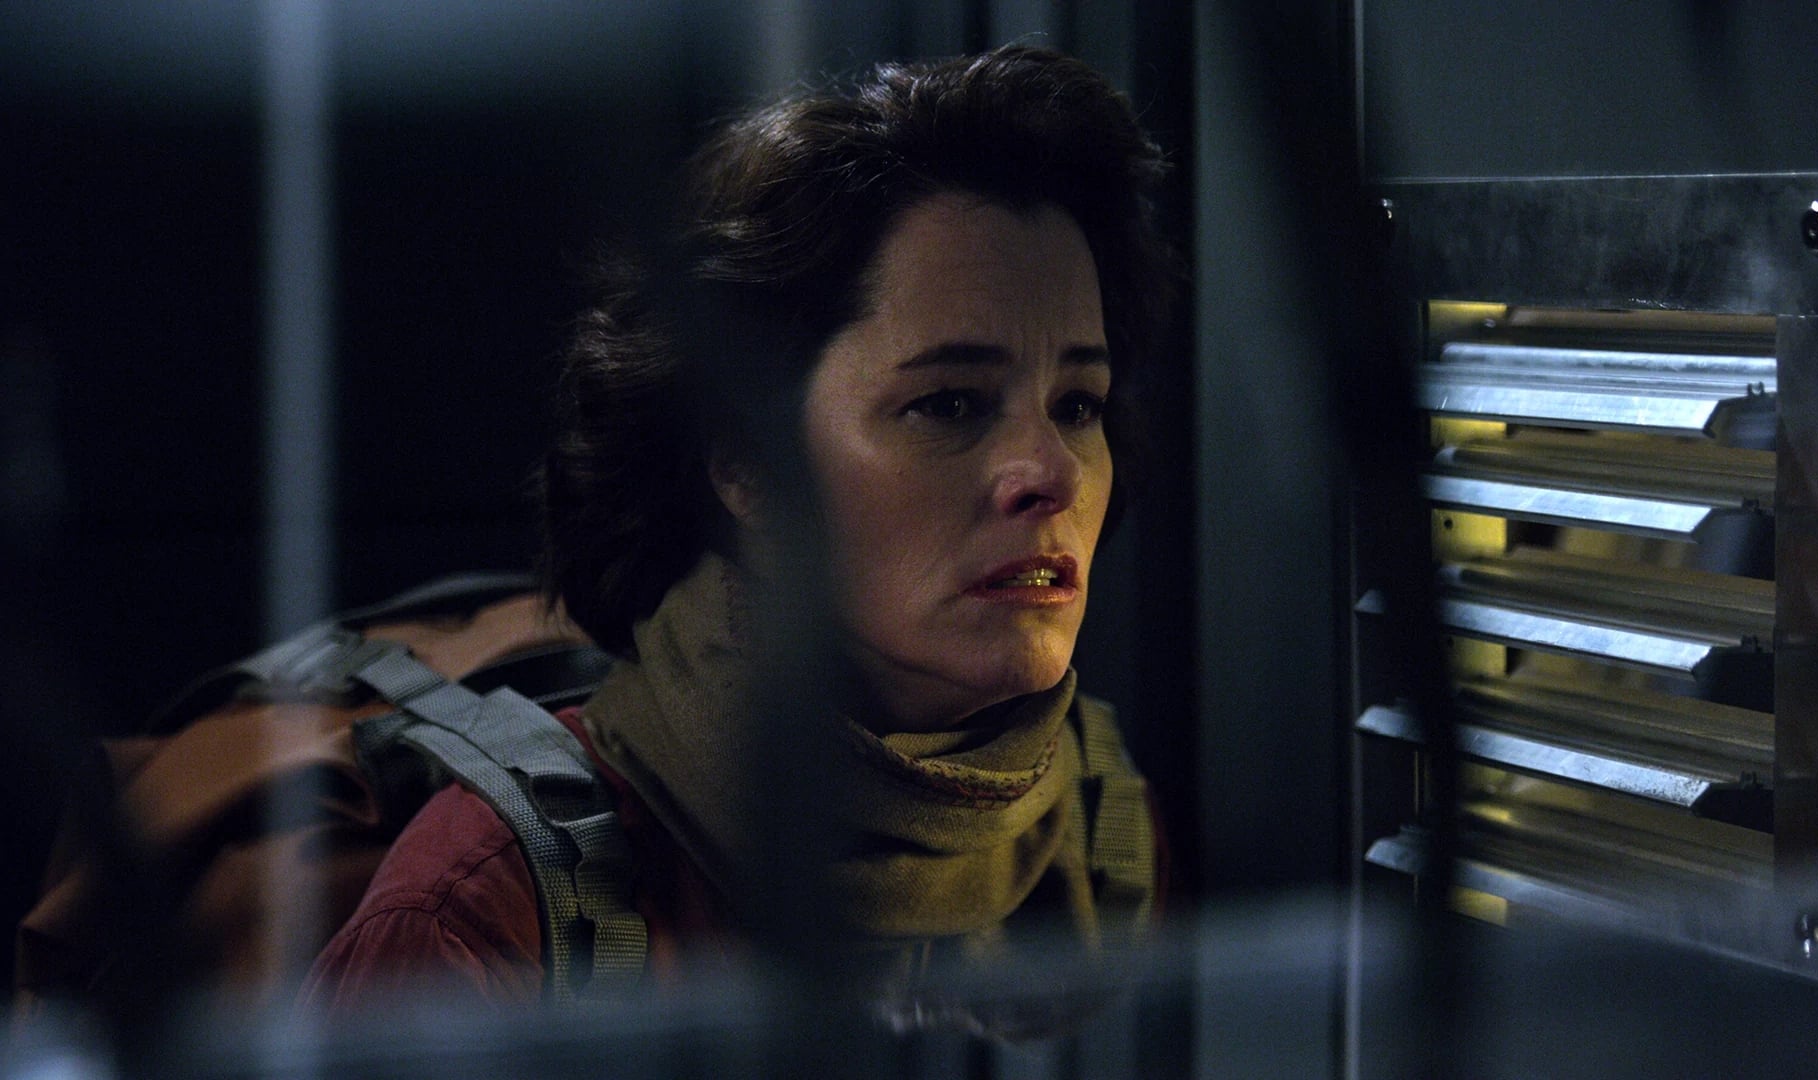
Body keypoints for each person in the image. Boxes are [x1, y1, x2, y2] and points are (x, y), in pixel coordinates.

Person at [301, 44, 1176, 1023]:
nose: (1053, 471)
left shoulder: (1106, 846)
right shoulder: (480, 919)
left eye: (1078, 404)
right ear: (748, 464)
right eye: (949, 404)